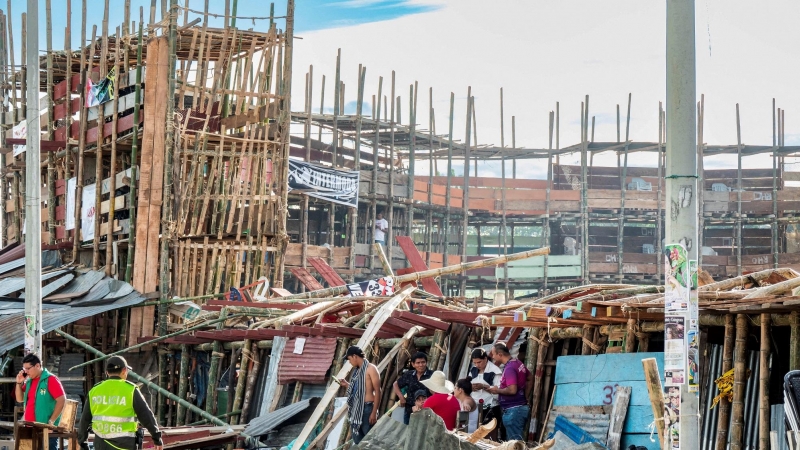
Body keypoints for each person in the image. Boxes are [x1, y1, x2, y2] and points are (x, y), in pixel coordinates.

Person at [77, 356, 163, 450]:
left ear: (107, 372)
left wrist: (83, 442)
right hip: (124, 445)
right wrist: (156, 438)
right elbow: (146, 416)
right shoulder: (131, 390)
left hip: (101, 445)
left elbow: (85, 420)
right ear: (124, 370)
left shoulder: (95, 390)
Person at [15, 354, 66, 450]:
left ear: (37, 366)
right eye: (24, 369)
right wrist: (19, 382)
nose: (26, 372)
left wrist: (51, 422)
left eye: (28, 369)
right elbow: (19, 399)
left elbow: (62, 400)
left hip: (46, 429)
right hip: (30, 428)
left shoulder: (50, 379)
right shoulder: (29, 381)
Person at [487, 344, 531, 441]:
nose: (493, 357)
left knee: (514, 444)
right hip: (518, 408)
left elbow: (512, 390)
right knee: (516, 442)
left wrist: (497, 390)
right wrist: (526, 396)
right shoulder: (518, 363)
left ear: (500, 354)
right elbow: (530, 378)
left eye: (494, 354)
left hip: (514, 411)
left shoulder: (510, 368)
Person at [338, 346, 381, 445]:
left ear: (354, 356)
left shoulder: (371, 369)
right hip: (356, 410)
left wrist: (374, 412)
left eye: (349, 359)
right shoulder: (357, 371)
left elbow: (378, 391)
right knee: (358, 442)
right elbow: (359, 390)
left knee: (369, 442)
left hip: (368, 409)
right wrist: (347, 385)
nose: (349, 362)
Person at [393, 351, 433, 424]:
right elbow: (395, 384)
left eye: (423, 362)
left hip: (426, 413)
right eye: (418, 363)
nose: (421, 365)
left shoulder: (432, 375)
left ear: (426, 363)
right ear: (413, 364)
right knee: (409, 433)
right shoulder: (409, 375)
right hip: (409, 411)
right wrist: (401, 397)